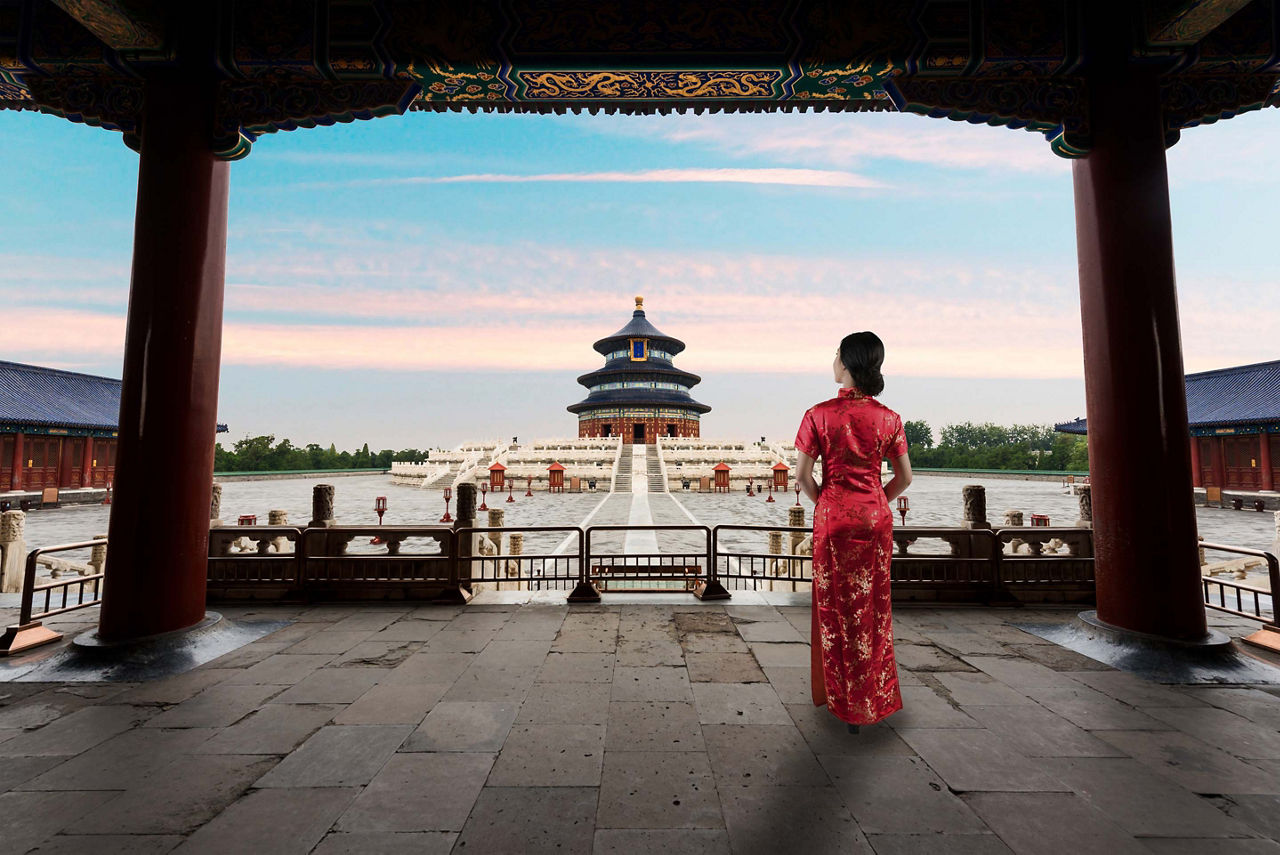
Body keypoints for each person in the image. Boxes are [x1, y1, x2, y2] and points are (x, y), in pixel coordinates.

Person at [794, 331, 912, 734]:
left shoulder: (818, 414)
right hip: (876, 521)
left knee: (835, 611)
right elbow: (905, 478)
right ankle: (872, 700)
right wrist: (875, 500)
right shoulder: (890, 418)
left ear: (845, 362)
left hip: (834, 519)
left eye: (836, 355)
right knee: (874, 609)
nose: (833, 361)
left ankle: (840, 699)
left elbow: (802, 476)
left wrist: (828, 503)